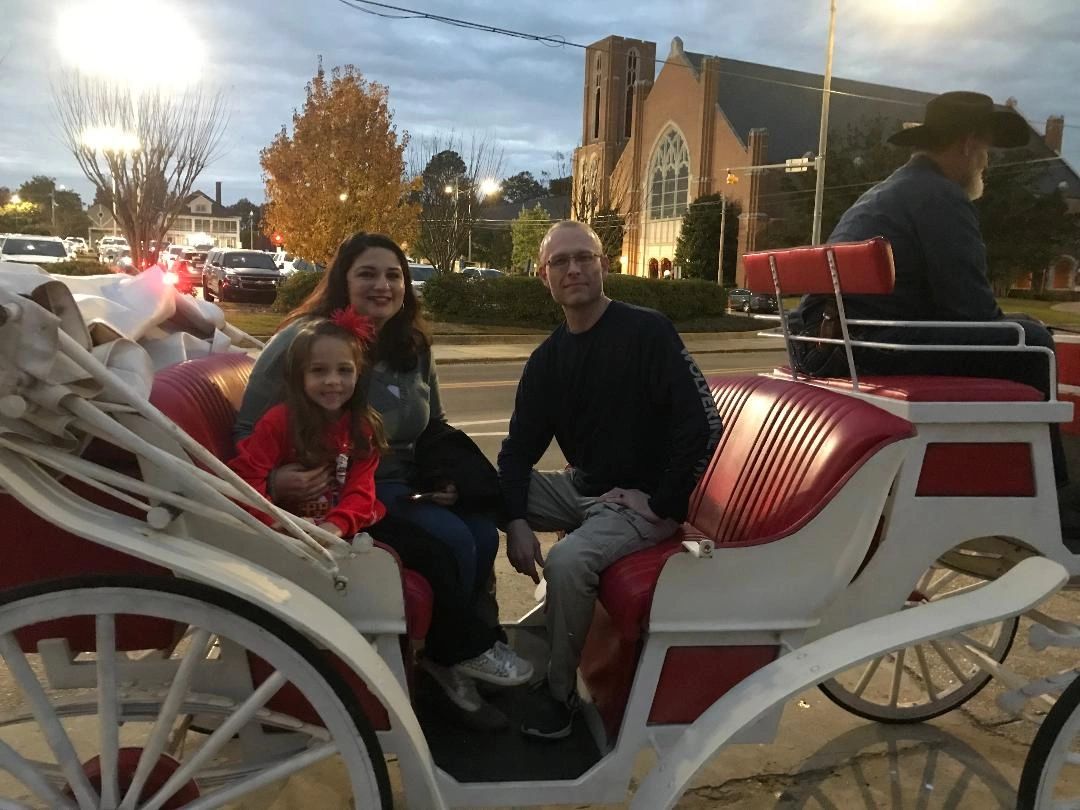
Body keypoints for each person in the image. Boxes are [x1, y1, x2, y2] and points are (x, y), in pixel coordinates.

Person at [234, 232, 529, 720]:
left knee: (479, 532)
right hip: (350, 489)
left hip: (410, 483)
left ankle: (465, 652)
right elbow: (250, 430)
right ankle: (455, 653)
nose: (382, 285)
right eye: (367, 273)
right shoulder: (308, 341)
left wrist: (444, 479)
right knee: (453, 540)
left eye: (394, 275)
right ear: (342, 280)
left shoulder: (412, 344)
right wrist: (273, 482)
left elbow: (434, 424)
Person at [498, 221, 723, 740]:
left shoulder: (647, 332)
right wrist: (514, 520)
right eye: (560, 262)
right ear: (544, 277)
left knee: (568, 560)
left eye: (585, 257)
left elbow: (703, 424)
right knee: (478, 493)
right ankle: (481, 645)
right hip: (585, 489)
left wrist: (663, 502)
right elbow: (515, 454)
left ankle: (558, 697)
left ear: (604, 265)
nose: (573, 269)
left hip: (639, 504)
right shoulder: (548, 361)